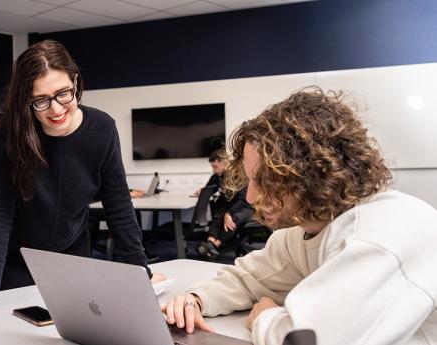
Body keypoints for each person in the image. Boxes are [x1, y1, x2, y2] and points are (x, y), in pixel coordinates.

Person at [162, 87, 437, 344]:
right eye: (250, 181)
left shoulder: (380, 235)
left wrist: (266, 317)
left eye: (264, 181)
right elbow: (248, 279)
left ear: (314, 173)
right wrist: (195, 299)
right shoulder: (305, 231)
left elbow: (303, 338)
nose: (250, 197)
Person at [0, 40, 164, 311]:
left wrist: (141, 272)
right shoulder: (9, 130)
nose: (55, 109)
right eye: (40, 100)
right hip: (19, 259)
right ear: (26, 100)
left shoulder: (102, 129)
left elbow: (118, 206)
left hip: (73, 253)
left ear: (75, 82)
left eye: (63, 93)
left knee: (75, 326)